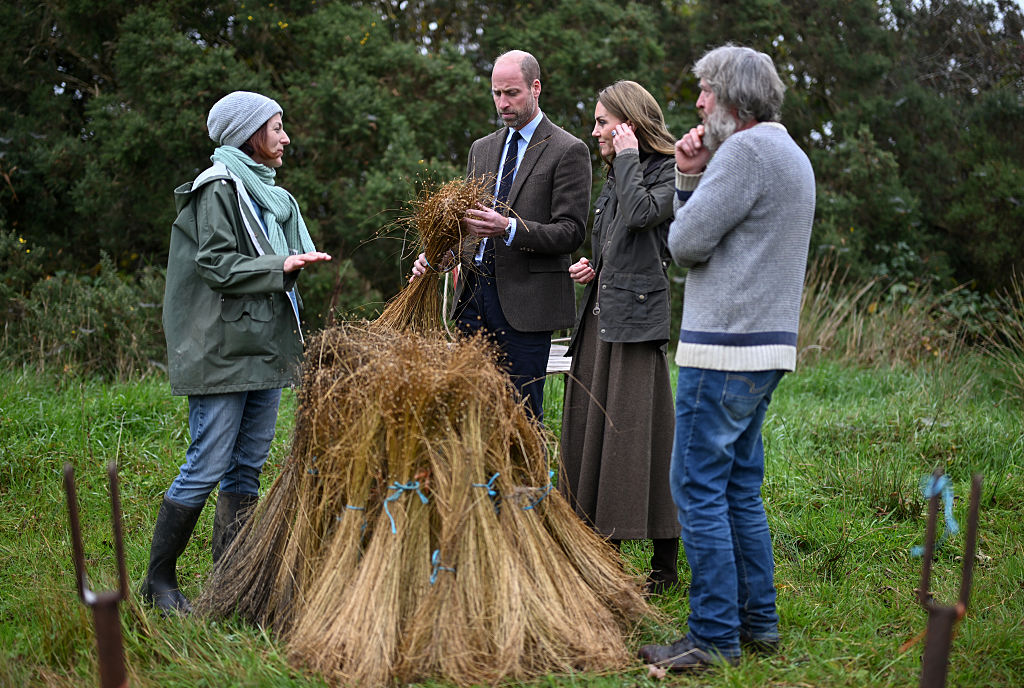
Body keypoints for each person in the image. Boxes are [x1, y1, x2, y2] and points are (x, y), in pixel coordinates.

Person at [638, 46, 815, 669]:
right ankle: (757, 624)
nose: (698, 102)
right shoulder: (790, 153)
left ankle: (713, 637)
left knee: (697, 487)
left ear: (734, 100)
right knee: (738, 486)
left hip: (723, 350)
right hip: (766, 349)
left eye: (707, 90)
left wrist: (687, 177)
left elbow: (684, 244)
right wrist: (696, 171)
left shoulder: (742, 153)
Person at [142, 91, 331, 614]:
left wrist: (286, 266)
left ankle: (231, 583)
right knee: (207, 464)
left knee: (246, 468)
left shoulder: (267, 193)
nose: (286, 137)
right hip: (223, 351)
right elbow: (217, 265)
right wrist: (282, 266)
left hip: (262, 346)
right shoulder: (219, 187)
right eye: (276, 127)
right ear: (249, 135)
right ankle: (158, 583)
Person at [412, 50, 592, 421]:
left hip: (527, 307)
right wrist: (442, 255)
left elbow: (570, 232)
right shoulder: (481, 148)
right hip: (471, 300)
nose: (502, 103)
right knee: (469, 414)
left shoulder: (568, 150)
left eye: (512, 93)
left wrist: (508, 228)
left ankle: (524, 465)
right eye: (496, 93)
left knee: (519, 418)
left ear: (536, 88)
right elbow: (469, 226)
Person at [558, 81, 680, 594]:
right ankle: (598, 555)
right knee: (593, 432)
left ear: (629, 124)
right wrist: (596, 266)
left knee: (641, 437)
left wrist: (629, 157)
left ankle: (665, 568)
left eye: (602, 122)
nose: (594, 132)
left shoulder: (671, 169)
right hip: (601, 317)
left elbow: (642, 215)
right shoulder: (617, 172)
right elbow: (625, 240)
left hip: (635, 325)